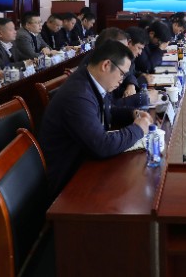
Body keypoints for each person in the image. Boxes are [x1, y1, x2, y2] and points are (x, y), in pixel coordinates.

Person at [39, 40, 154, 197]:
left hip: (86, 161)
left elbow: (107, 111)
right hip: (69, 181)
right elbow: (102, 145)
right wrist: (138, 129)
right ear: (106, 65)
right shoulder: (77, 95)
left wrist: (132, 114)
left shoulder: (90, 80)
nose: (122, 81)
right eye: (122, 74)